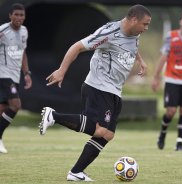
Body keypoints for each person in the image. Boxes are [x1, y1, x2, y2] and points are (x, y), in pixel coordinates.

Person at [39, 4, 151, 181]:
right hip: (99, 86)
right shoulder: (109, 33)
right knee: (100, 130)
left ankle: (76, 172)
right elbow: (77, 47)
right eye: (145, 24)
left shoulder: (134, 33)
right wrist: (61, 70)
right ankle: (53, 116)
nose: (146, 28)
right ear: (134, 19)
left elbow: (132, 46)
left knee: (108, 134)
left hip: (115, 90)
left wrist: (141, 61)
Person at [152, 11, 182, 151]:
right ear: (180, 22)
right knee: (171, 111)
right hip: (172, 79)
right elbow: (163, 57)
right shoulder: (171, 37)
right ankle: (162, 134)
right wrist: (156, 77)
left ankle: (179, 143)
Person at [0, 3, 32, 154]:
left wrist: (26, 74)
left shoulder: (24, 31)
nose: (19, 18)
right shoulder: (3, 31)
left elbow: (23, 53)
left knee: (3, 109)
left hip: (15, 76)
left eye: (22, 15)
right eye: (16, 15)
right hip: (3, 74)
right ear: (10, 16)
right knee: (16, 104)